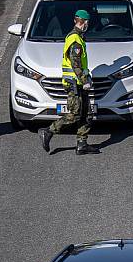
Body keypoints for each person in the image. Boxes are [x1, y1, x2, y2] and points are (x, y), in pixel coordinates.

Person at [39, 9, 99, 155]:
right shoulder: (75, 40)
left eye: (85, 22)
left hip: (78, 83)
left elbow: (81, 65)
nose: (85, 25)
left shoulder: (79, 37)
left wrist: (86, 76)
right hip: (74, 84)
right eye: (84, 22)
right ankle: (48, 131)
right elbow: (75, 63)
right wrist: (84, 80)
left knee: (86, 113)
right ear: (80, 22)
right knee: (75, 114)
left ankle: (82, 144)